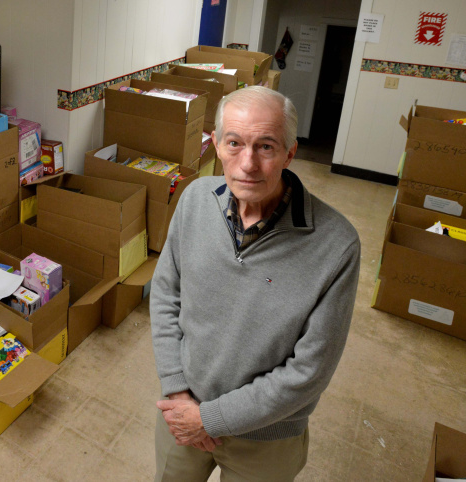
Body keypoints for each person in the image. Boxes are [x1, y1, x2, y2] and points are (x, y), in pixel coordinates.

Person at [151, 86, 360, 481]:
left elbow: (309, 371)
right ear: (215, 144)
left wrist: (210, 419)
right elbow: (165, 294)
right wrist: (176, 390)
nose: (247, 163)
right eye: (234, 143)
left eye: (265, 146)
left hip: (267, 439)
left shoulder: (336, 244)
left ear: (290, 153)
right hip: (181, 409)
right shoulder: (194, 200)